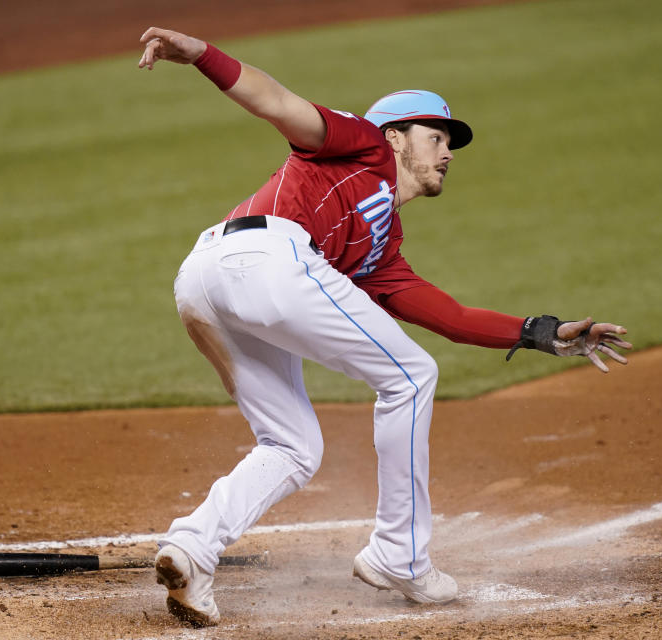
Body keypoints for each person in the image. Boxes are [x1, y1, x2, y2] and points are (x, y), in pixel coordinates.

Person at [137, 27, 632, 627]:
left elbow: (448, 317)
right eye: (436, 136)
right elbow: (280, 103)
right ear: (396, 137)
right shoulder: (363, 145)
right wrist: (202, 58)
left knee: (293, 446)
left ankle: (192, 548)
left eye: (449, 142)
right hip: (264, 259)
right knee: (411, 376)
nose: (447, 152)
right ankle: (402, 555)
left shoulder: (380, 248)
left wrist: (541, 332)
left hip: (204, 280)